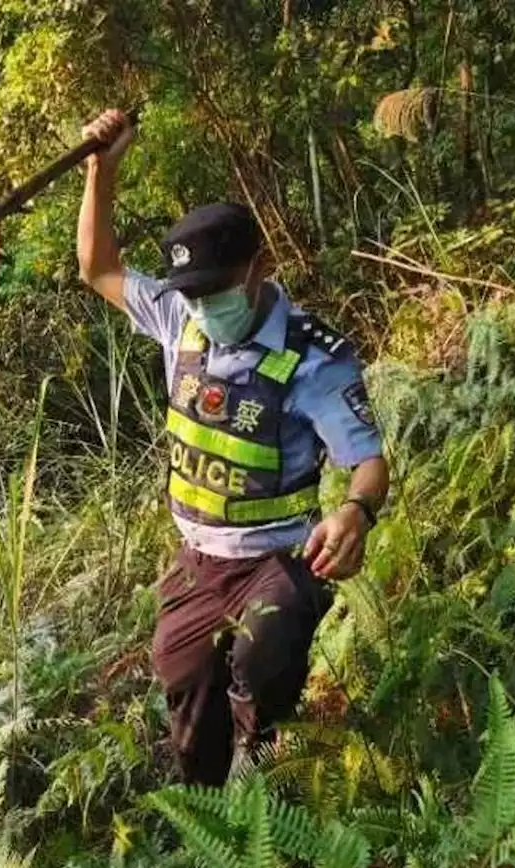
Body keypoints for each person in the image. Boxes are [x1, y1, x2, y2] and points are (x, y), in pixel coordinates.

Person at [76, 108, 389, 786]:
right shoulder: (177, 316)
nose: (202, 308)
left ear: (258, 269)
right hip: (197, 560)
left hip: (280, 558)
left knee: (262, 661)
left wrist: (354, 514)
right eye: (192, 295)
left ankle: (274, 785)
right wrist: (103, 166)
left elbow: (368, 461)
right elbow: (97, 266)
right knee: (183, 680)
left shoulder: (314, 358)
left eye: (216, 294)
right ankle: (209, 810)